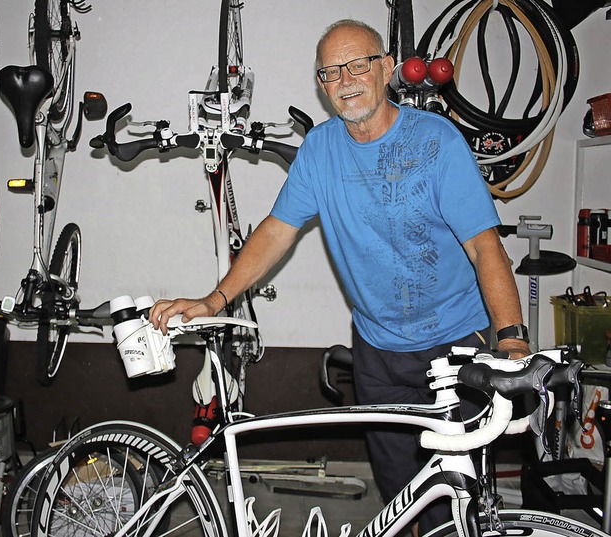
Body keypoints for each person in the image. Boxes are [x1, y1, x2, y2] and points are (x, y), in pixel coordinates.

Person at [150, 19, 531, 535]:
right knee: (403, 494)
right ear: (322, 85)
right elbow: (276, 232)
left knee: (453, 494)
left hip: (456, 343)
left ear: (387, 69)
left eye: (359, 64)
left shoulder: (435, 141)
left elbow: (486, 246)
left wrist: (510, 339)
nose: (346, 79)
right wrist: (216, 300)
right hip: (377, 350)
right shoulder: (320, 150)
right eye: (331, 71)